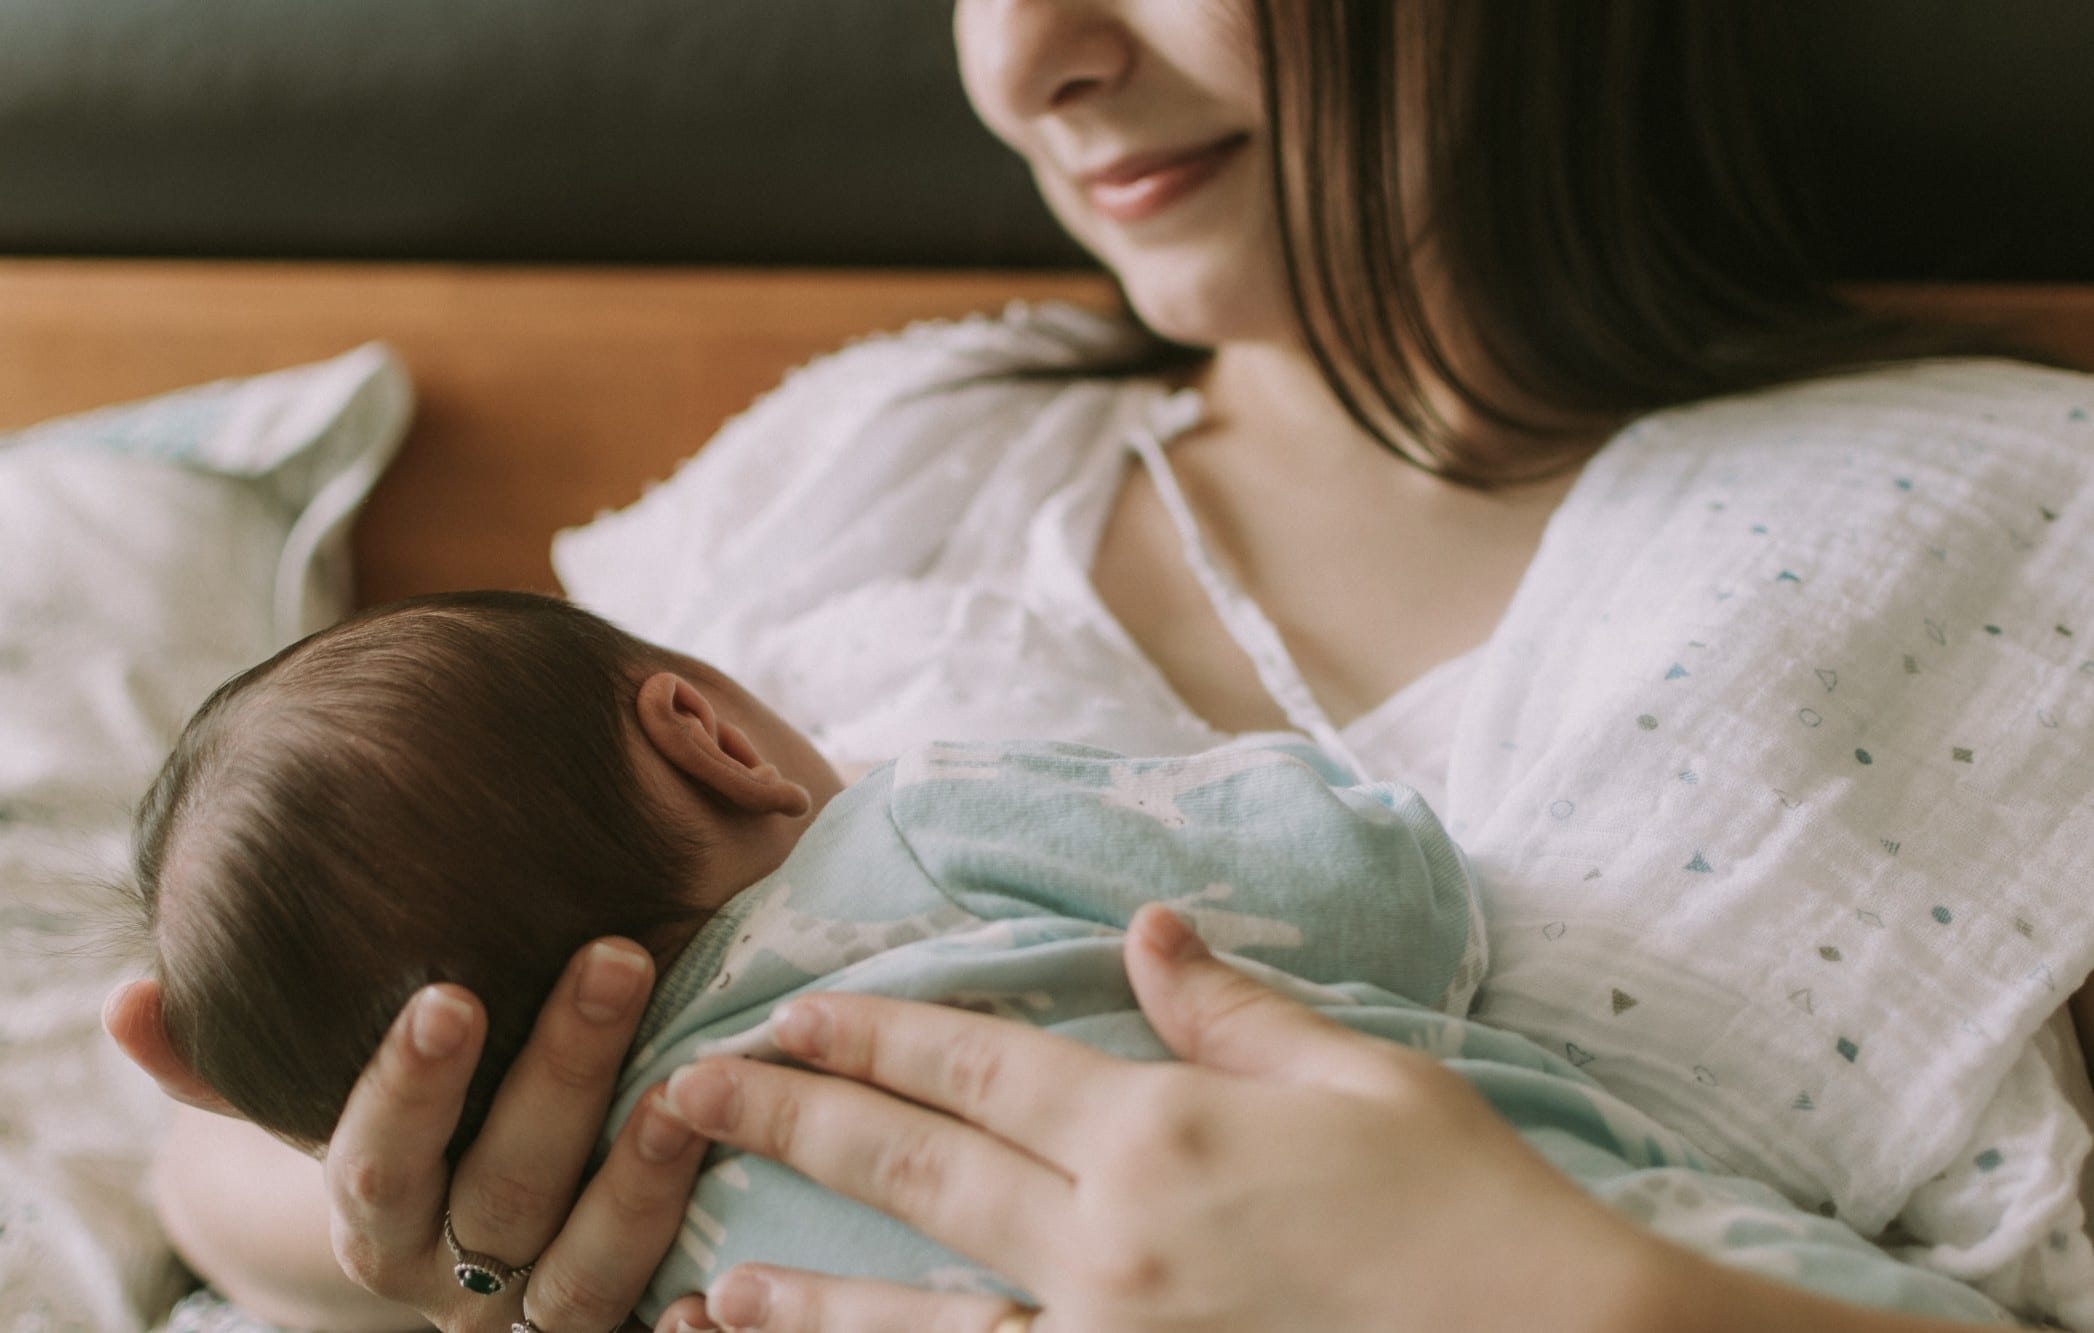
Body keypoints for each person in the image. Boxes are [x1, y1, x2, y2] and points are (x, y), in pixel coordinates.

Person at [105, 1, 2094, 1331]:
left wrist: (1576, 1295)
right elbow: (224, 1161)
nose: (1037, 57)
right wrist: (431, 1220)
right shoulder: (877, 461)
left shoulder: (1997, 536)